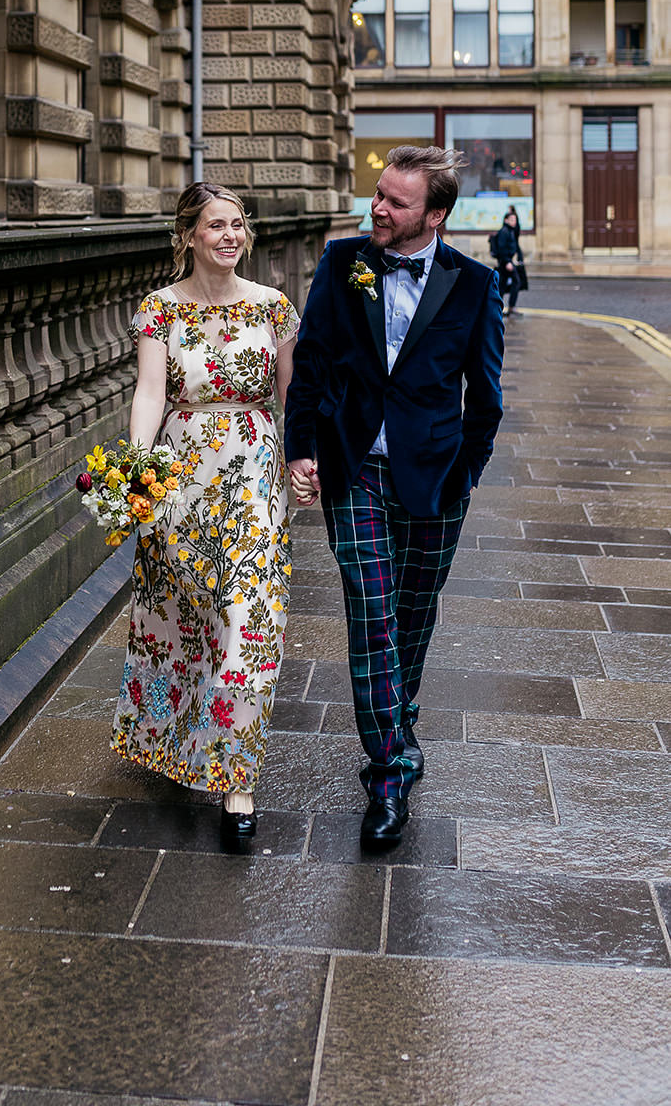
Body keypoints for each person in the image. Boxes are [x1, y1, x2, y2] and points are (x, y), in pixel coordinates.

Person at [284, 145, 503, 850]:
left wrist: (464, 475)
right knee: (371, 614)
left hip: (434, 476)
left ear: (434, 214)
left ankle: (394, 712)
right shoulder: (341, 262)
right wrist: (300, 450)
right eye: (376, 194)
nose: (376, 208)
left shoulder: (473, 283)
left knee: (411, 614)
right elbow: (311, 362)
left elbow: (486, 398)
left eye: (395, 202)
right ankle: (388, 767)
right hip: (355, 470)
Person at [111, 181, 300, 849]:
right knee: (178, 621)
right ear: (188, 235)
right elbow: (148, 394)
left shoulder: (273, 308)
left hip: (251, 478)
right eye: (216, 225)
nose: (229, 235)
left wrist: (301, 463)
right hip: (180, 477)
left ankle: (233, 776)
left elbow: (291, 398)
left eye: (238, 224)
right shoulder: (160, 310)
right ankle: (166, 737)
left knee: (250, 620)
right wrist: (138, 474)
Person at [491, 208, 525, 319]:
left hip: (507, 262)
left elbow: (515, 243)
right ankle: (511, 307)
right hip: (506, 263)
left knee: (502, 285)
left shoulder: (511, 231)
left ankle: (498, 309)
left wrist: (519, 257)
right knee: (516, 281)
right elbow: (502, 248)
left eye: (515, 219)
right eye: (511, 219)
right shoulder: (504, 232)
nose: (514, 221)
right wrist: (507, 262)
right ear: (506, 220)